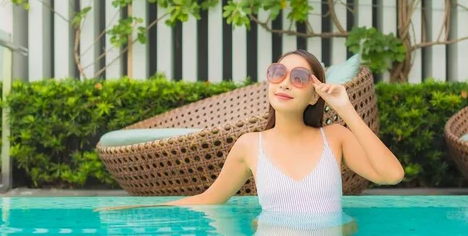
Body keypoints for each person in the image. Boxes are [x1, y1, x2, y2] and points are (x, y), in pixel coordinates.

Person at [99, 49, 404, 212]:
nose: (284, 82)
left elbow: (392, 175)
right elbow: (209, 199)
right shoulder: (250, 145)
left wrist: (345, 109)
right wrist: (136, 207)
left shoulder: (335, 137)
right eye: (278, 73)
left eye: (299, 77)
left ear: (314, 95)